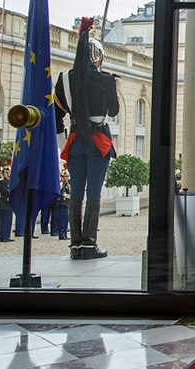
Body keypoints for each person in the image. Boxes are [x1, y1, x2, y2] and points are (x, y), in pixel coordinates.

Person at [53, 18, 120, 260]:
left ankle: (75, 245)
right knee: (93, 193)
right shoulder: (105, 79)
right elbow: (113, 112)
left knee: (75, 194)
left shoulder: (65, 79)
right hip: (98, 139)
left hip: (76, 140)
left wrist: (64, 144)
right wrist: (114, 88)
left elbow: (57, 115)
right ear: (99, 57)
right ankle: (89, 243)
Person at [0, 166, 13, 242]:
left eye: (9, 172)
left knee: (8, 221)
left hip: (9, 203)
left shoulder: (9, 181)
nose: (8, 174)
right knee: (4, 221)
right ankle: (3, 236)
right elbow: (7, 191)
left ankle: (7, 235)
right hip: (3, 203)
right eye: (7, 173)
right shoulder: (2, 182)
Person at [54, 169, 70, 240]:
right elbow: (64, 194)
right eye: (65, 177)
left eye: (67, 177)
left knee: (66, 220)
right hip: (62, 204)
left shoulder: (67, 184)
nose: (66, 178)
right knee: (62, 220)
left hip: (66, 204)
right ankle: (61, 234)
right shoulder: (61, 184)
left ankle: (65, 233)